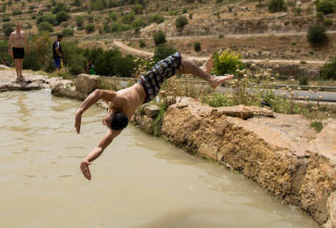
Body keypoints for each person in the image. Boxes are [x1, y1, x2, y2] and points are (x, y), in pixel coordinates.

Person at [74, 52, 233, 180]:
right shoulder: (121, 101)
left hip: (148, 95)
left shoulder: (121, 124)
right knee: (178, 58)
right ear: (116, 112)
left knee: (175, 68)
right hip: (146, 84)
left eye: (106, 122)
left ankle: (203, 71)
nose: (104, 123)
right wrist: (80, 111)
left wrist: (86, 159)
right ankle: (211, 79)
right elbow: (98, 93)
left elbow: (100, 146)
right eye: (107, 122)